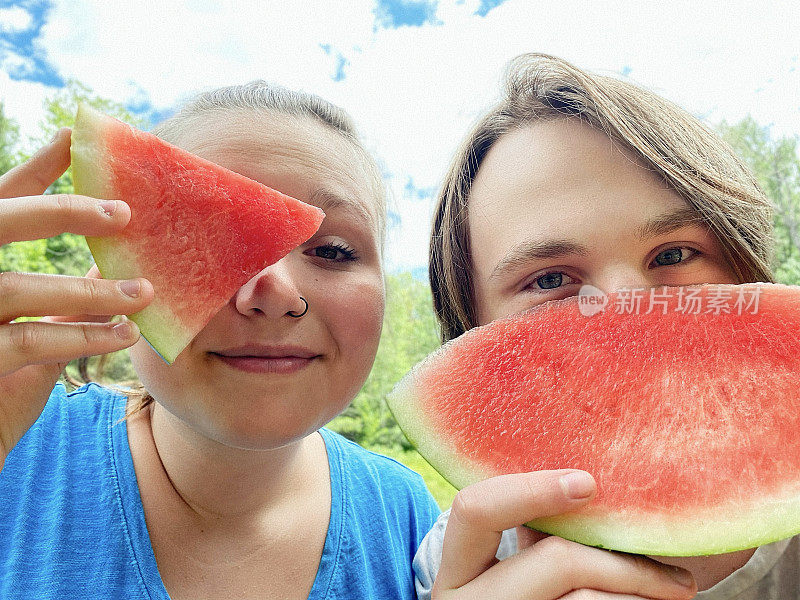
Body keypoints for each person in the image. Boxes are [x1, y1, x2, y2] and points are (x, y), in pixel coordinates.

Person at [0, 82, 440, 599]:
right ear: (117, 263)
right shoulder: (18, 449)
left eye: (335, 250)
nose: (274, 292)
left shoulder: (409, 521)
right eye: (209, 237)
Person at [416, 53, 795, 599]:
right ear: (473, 331)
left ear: (750, 274)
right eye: (549, 280)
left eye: (675, 254)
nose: (623, 312)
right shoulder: (452, 569)